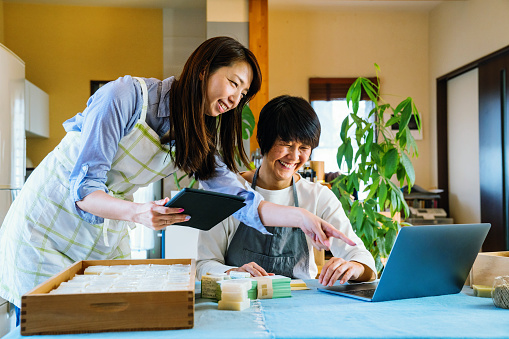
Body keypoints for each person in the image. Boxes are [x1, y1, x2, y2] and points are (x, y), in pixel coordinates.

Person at [0, 37, 355, 318]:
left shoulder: (198, 137)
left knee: (108, 321)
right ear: (203, 69)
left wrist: (303, 218)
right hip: (46, 223)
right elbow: (84, 191)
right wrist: (140, 213)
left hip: (102, 232)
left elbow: (245, 201)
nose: (235, 98)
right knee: (43, 320)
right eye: (233, 83)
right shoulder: (123, 97)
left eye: (242, 94)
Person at [196, 95, 376, 286]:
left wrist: (354, 267)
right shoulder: (228, 191)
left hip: (300, 307)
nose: (294, 157)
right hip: (239, 302)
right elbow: (204, 265)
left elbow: (361, 258)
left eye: (304, 147)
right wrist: (234, 272)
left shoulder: (318, 197)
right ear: (264, 139)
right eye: (286, 145)